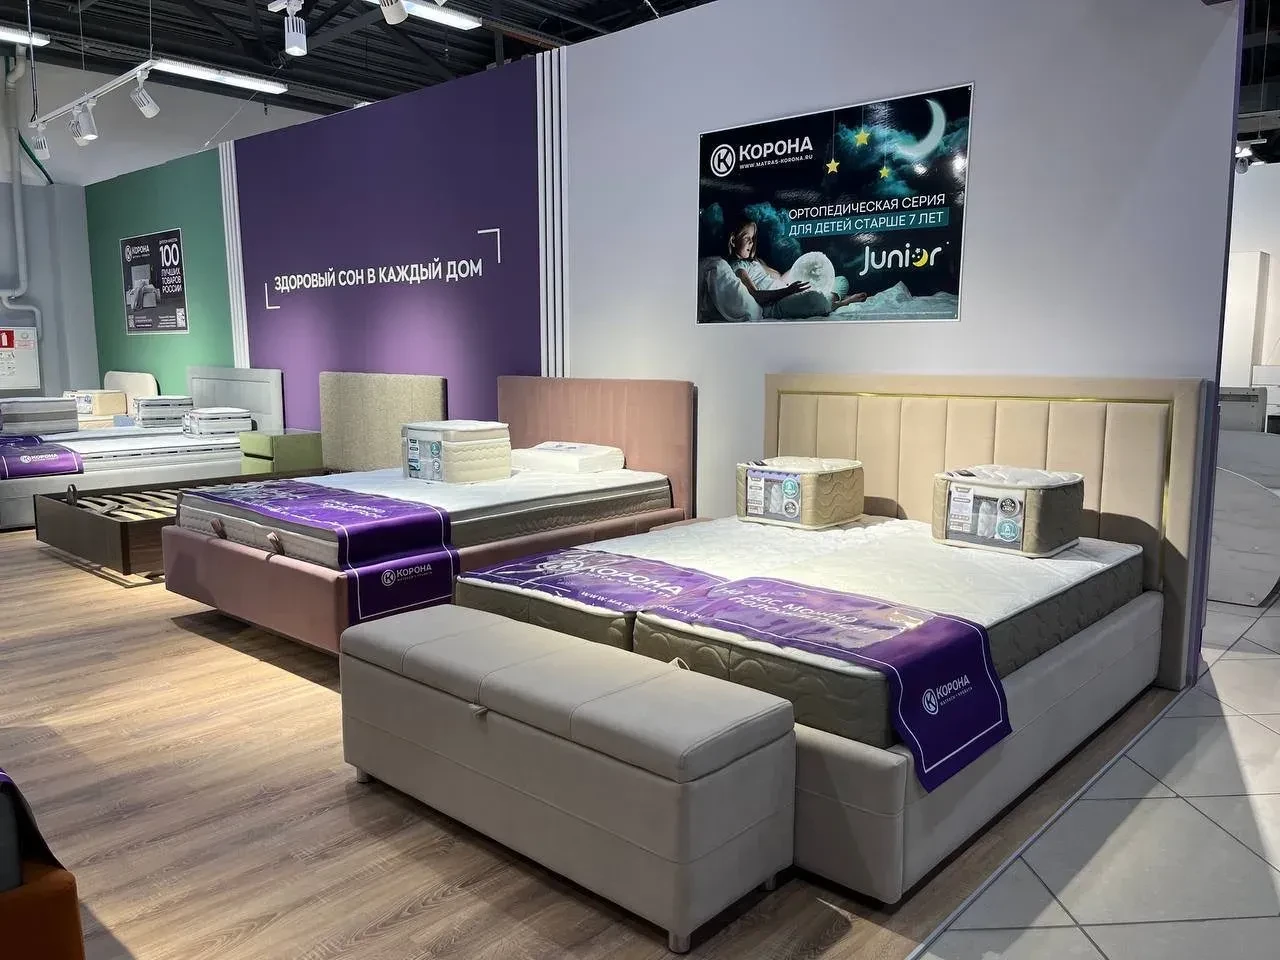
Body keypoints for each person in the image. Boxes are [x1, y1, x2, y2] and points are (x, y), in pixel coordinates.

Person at [725, 220, 867, 318]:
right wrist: (788, 290)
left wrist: (801, 271)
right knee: (816, 299)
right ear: (733, 240)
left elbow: (778, 276)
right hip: (774, 304)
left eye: (753, 238)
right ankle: (839, 303)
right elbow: (757, 296)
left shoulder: (754, 263)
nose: (751, 242)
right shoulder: (737, 267)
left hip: (785, 290)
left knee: (841, 280)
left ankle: (829, 298)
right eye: (747, 238)